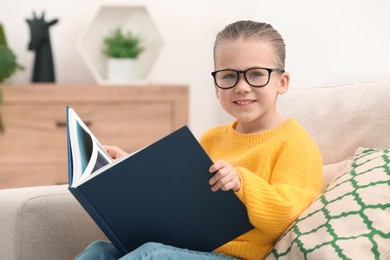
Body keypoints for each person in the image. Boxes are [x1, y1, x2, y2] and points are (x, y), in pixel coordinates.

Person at [75, 20, 322, 260]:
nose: (242, 87)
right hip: (189, 247)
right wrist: (129, 166)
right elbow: (176, 191)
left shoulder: (295, 142)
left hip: (238, 256)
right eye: (228, 76)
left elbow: (288, 217)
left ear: (282, 82)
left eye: (256, 74)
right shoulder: (212, 138)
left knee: (152, 255)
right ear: (216, 86)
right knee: (100, 250)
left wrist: (241, 183)